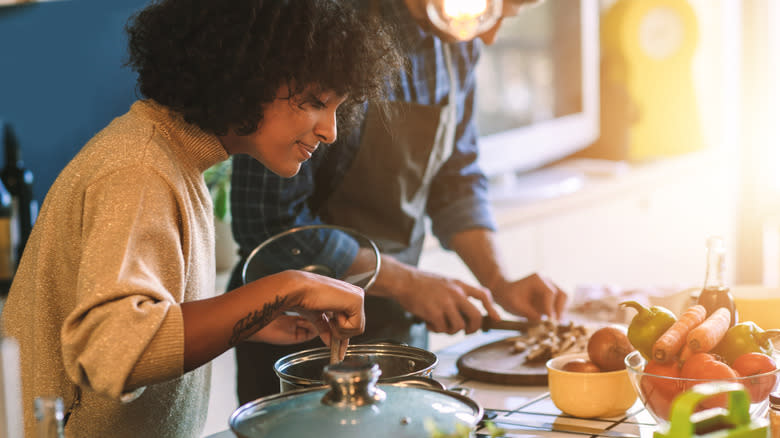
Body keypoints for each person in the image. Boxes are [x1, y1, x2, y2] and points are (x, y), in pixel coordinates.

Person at [0, 0, 403, 437]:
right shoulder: (139, 168)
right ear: (248, 75)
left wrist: (251, 319)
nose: (331, 131)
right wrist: (290, 285)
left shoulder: (173, 160)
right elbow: (114, 350)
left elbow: (148, 313)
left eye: (337, 109)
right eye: (313, 102)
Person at [228, 0, 568, 403]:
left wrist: (498, 282)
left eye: (506, 18)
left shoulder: (458, 44)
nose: (490, 35)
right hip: (299, 338)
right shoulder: (319, 33)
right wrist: (405, 282)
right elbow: (271, 224)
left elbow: (456, 178)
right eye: (488, 9)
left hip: (396, 331)